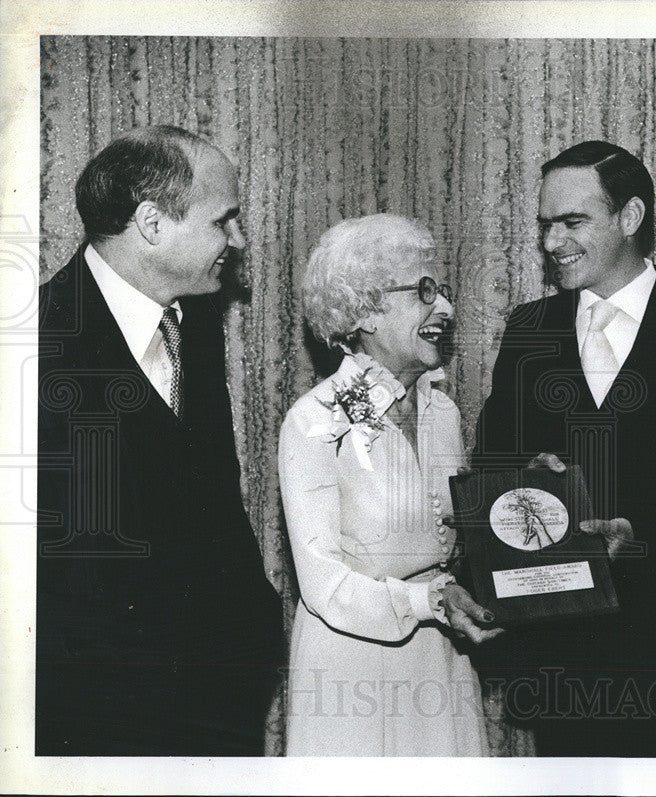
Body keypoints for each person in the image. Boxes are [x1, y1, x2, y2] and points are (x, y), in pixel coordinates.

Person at [472, 141, 656, 757]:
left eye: (572, 222)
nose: (553, 242)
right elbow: (490, 473)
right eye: (545, 226)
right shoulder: (528, 330)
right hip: (555, 666)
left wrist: (638, 533)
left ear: (630, 218)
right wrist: (524, 484)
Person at [36, 126, 285, 755]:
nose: (239, 241)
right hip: (98, 724)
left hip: (219, 704)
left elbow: (210, 496)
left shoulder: (192, 323)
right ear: (152, 223)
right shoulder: (33, 343)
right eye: (223, 221)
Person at [280, 214, 499, 756]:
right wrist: (431, 600)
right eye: (425, 292)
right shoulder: (316, 420)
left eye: (442, 291)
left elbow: (449, 537)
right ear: (365, 310)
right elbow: (324, 585)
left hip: (441, 658)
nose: (445, 309)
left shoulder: (441, 410)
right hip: (350, 670)